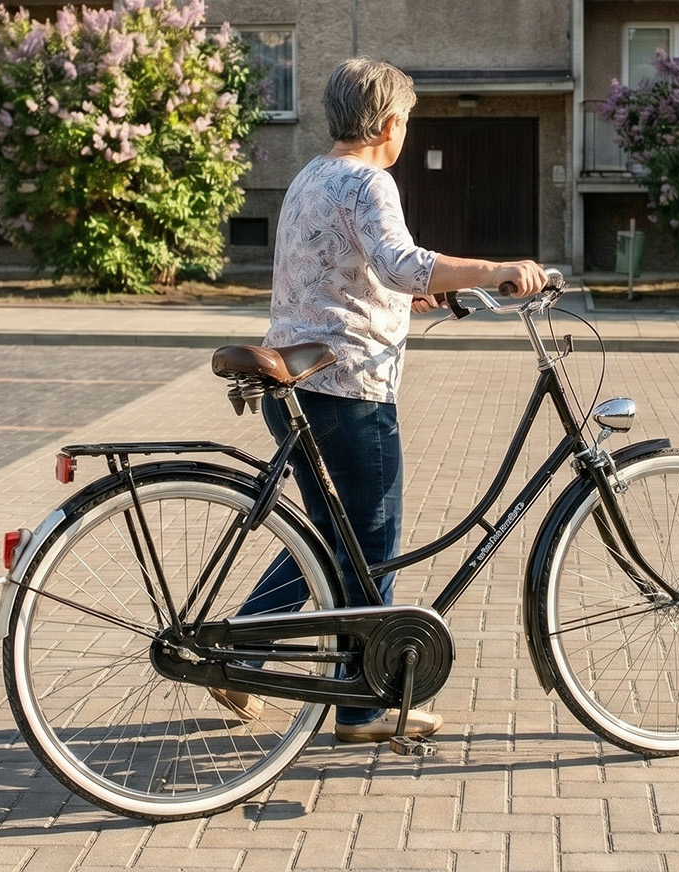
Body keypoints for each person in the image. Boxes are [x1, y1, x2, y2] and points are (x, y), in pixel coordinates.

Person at [213, 58, 546, 743]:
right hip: (348, 394)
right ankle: (364, 708)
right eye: (408, 123)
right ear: (392, 124)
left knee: (335, 542)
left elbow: (341, 272)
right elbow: (398, 262)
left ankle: (241, 652)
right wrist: (499, 268)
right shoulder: (370, 180)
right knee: (373, 545)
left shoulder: (311, 176)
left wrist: (412, 296)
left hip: (300, 388)